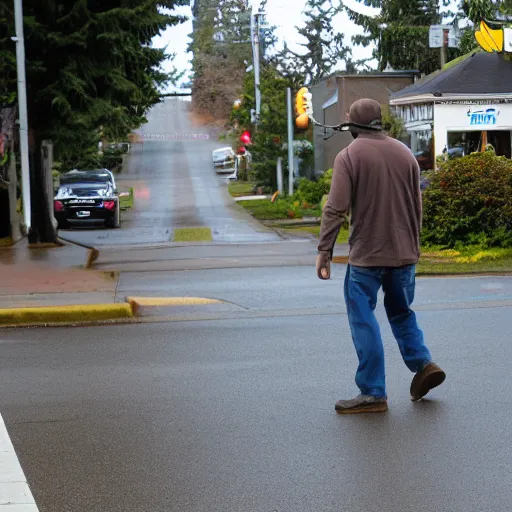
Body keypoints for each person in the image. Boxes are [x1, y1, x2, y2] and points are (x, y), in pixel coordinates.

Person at [316, 98, 445, 415]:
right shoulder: (405, 153)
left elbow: (336, 209)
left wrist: (324, 251)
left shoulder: (349, 156)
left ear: (353, 126)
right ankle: (423, 363)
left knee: (363, 317)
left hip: (367, 258)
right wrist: (413, 248)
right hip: (405, 255)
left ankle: (373, 392)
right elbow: (417, 207)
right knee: (401, 312)